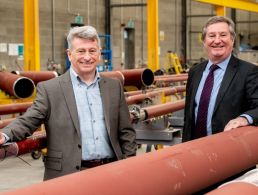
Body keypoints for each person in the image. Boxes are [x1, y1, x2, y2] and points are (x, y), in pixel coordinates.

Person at [0, 25, 137, 180]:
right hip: (67, 175)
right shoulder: (50, 89)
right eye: (81, 51)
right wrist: (5, 134)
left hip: (111, 173)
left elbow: (126, 132)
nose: (87, 56)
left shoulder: (113, 87)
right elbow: (29, 120)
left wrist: (129, 164)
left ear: (99, 53)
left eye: (92, 50)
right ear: (69, 54)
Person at [183, 16, 258, 142]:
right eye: (211, 36)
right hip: (195, 150)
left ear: (232, 39)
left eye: (223, 35)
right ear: (204, 41)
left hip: (229, 152)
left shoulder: (248, 72)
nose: (217, 41)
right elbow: (188, 116)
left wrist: (244, 118)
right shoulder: (195, 72)